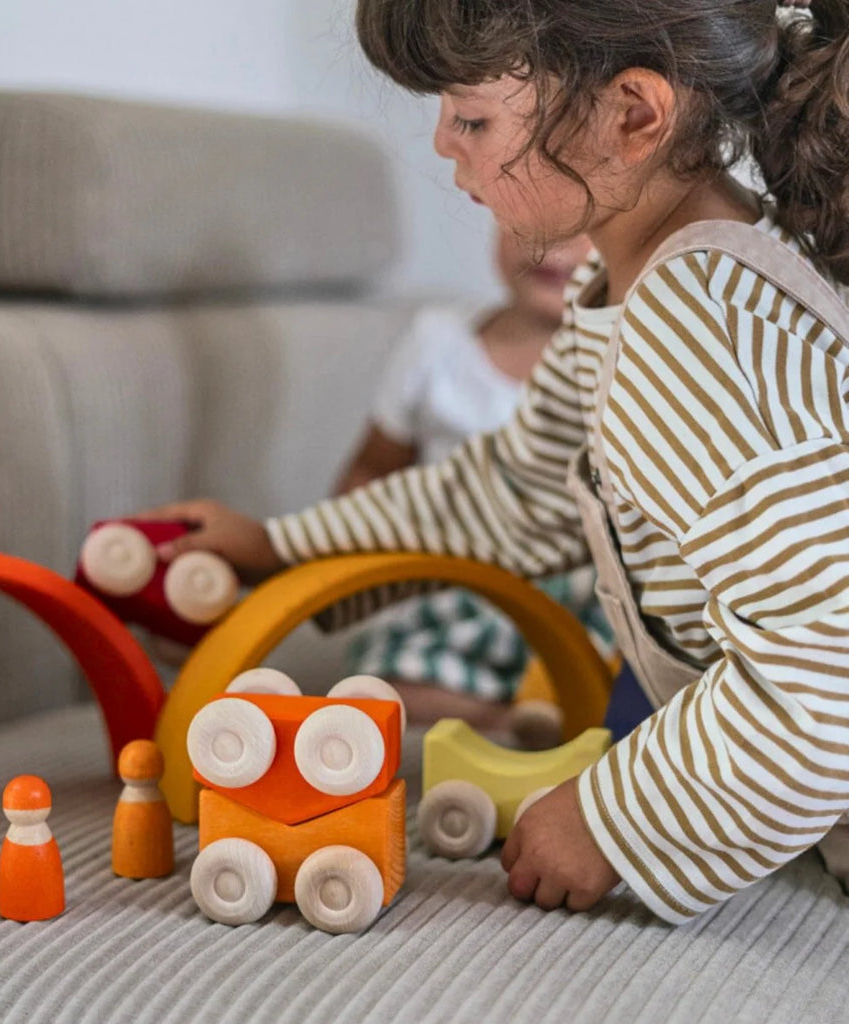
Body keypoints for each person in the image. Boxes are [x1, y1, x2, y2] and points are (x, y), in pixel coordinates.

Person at [141, 0, 849, 924]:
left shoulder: (698, 334)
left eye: (472, 118)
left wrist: (614, 820)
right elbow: (518, 491)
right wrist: (283, 548)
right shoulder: (634, 291)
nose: (443, 143)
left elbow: (826, 675)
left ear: (633, 115)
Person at [332, 226, 608, 749]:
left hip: (582, 594)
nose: (552, 244)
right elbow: (371, 468)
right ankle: (513, 717)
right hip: (462, 584)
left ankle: (551, 707)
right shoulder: (439, 343)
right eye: (527, 218)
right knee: (375, 689)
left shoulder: (630, 359)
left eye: (586, 227)